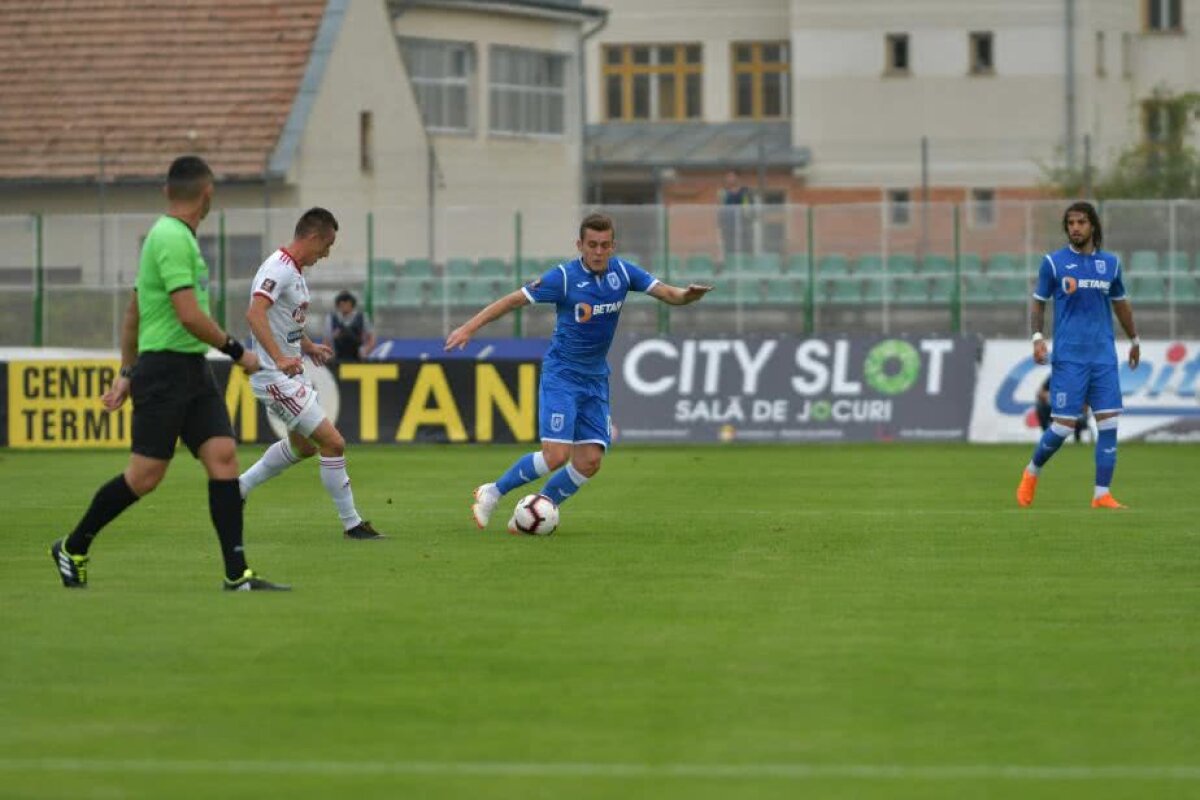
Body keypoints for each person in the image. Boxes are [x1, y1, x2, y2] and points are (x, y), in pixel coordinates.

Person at [49, 155, 288, 591]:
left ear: (167, 191)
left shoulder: (168, 238)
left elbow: (134, 314)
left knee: (223, 459)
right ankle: (73, 545)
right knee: (145, 476)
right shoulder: (173, 239)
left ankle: (238, 575)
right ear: (208, 194)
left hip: (188, 369)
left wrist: (125, 371)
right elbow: (188, 315)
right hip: (164, 371)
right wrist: (239, 352)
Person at [445, 212, 712, 533]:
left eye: (604, 245)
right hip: (563, 376)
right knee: (556, 455)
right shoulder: (564, 278)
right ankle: (493, 492)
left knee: (589, 461)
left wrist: (688, 296)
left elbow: (670, 295)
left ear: (613, 246)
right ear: (580, 245)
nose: (598, 252)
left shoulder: (624, 272)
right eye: (592, 245)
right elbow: (514, 301)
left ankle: (532, 512)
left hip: (595, 378)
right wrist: (469, 328)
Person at [238, 208, 384, 540]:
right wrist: (278, 358)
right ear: (313, 237)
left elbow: (283, 320)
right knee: (333, 442)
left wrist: (307, 346)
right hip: (274, 377)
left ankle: (239, 488)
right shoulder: (279, 269)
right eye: (326, 245)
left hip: (290, 372)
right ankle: (352, 524)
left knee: (304, 448)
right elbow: (254, 313)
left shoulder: (293, 270)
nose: (326, 254)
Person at [1017, 201, 1140, 509]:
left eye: (1081, 222)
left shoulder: (1110, 264)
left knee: (1109, 423)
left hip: (1103, 356)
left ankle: (1102, 495)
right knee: (1062, 426)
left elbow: (1121, 303)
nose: (1075, 227)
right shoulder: (1054, 263)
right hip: (1070, 356)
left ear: (1093, 226)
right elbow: (1038, 302)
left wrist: (1134, 339)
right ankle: (1032, 471)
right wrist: (1037, 338)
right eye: (1070, 223)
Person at [324, 290, 375, 362]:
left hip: (357, 357)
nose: (344, 305)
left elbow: (371, 338)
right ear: (338, 304)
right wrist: (330, 354)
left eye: (346, 302)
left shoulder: (362, 317)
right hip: (338, 357)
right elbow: (326, 340)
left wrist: (365, 351)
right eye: (341, 302)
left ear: (352, 303)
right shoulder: (331, 319)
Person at [1035, 376, 1087, 442]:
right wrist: (1048, 396)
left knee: (1080, 415)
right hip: (1054, 410)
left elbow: (1085, 400)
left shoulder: (1078, 379)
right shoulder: (1053, 378)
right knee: (1040, 407)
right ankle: (1046, 438)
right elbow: (1040, 393)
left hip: (1072, 411)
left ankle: (1077, 439)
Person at [717, 169, 752, 261]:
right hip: (728, 228)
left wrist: (747, 219)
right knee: (729, 250)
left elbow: (748, 209)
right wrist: (721, 224)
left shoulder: (745, 192)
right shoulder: (723, 193)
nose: (729, 179)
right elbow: (720, 210)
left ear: (737, 178)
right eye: (727, 177)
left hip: (743, 227)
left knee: (745, 249)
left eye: (731, 176)